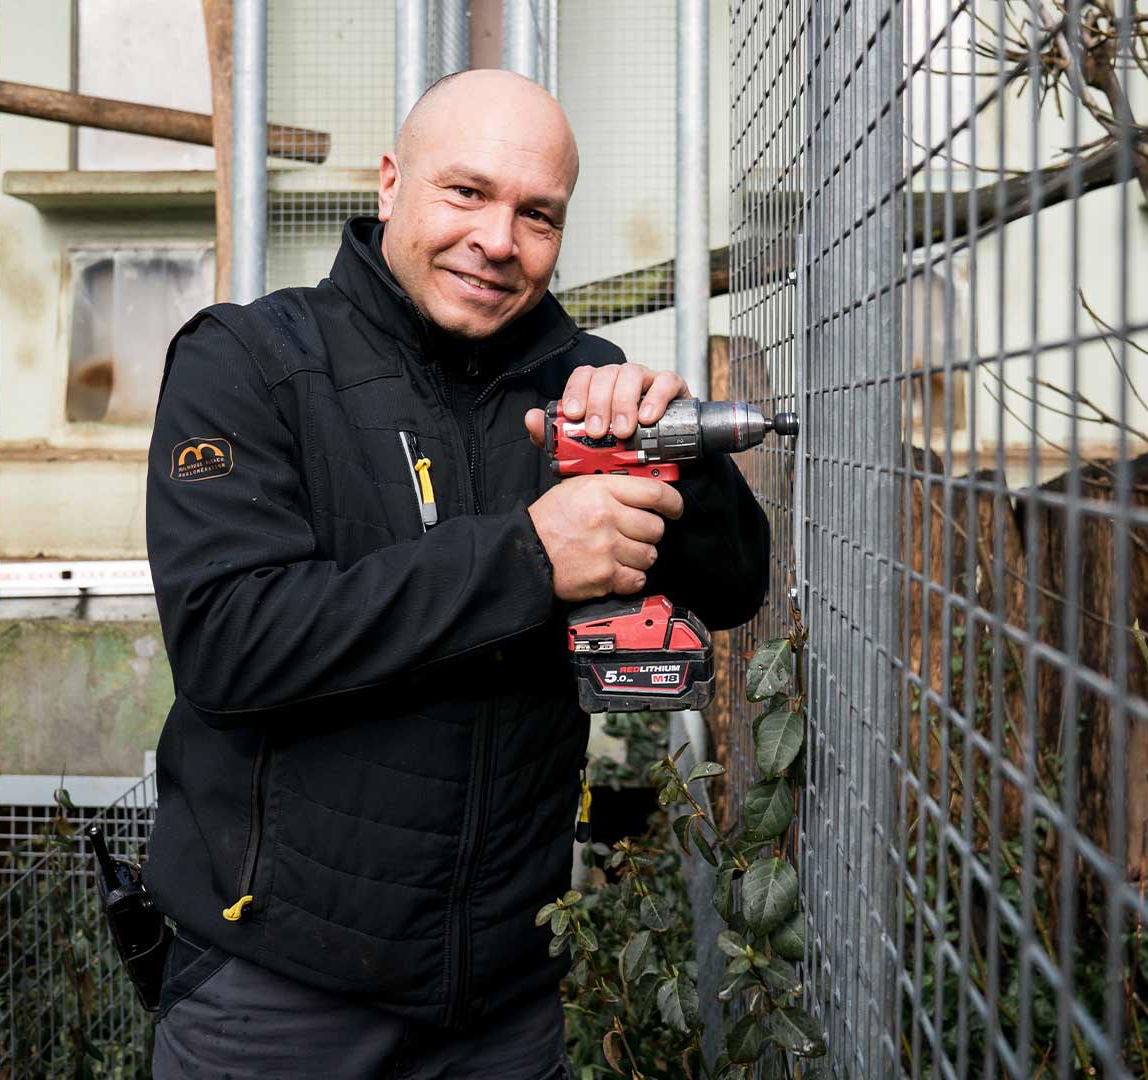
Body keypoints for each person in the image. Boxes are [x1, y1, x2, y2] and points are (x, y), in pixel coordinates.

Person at [144, 69, 770, 1077]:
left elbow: (739, 585)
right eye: (466, 193)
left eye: (537, 214)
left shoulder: (583, 383)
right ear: (391, 183)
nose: (497, 240)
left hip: (503, 1005)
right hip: (277, 1000)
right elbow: (227, 641)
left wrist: (680, 459)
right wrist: (531, 557)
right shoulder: (252, 363)